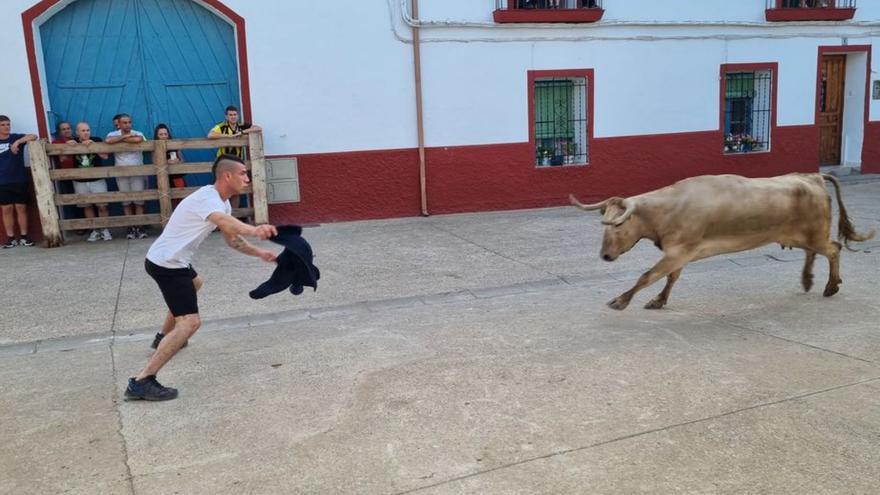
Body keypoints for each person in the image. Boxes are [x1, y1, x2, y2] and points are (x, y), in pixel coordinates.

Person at [126, 154, 278, 401]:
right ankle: (142, 381)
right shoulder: (207, 199)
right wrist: (255, 229)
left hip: (171, 260)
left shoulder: (222, 202)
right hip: (167, 264)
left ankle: (162, 338)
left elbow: (233, 240)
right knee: (190, 323)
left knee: (196, 283)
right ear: (226, 176)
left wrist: (259, 253)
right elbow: (224, 221)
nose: (247, 178)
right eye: (243, 173)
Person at [207, 105, 261, 211]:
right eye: (230, 115)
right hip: (222, 163)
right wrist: (228, 136)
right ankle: (221, 214)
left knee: (236, 190)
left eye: (235, 114)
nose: (233, 117)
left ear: (238, 116)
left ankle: (234, 216)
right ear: (226, 116)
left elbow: (258, 128)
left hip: (237, 163)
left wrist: (242, 132)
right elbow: (210, 135)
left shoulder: (241, 126)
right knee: (219, 190)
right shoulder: (222, 126)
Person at [106, 114, 148, 239]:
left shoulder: (137, 132)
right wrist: (125, 136)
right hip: (121, 171)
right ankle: (130, 227)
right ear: (119, 124)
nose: (128, 125)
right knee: (126, 200)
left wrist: (122, 139)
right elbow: (108, 141)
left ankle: (139, 226)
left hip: (137, 170)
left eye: (129, 122)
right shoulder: (112, 134)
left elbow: (138, 140)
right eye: (124, 123)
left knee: (139, 199)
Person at [70, 122, 112, 242]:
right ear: (77, 132)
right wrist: (69, 146)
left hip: (97, 178)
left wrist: (94, 146)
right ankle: (95, 230)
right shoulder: (73, 142)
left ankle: (104, 229)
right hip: (80, 180)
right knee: (86, 205)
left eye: (88, 130)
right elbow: (64, 157)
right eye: (83, 131)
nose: (86, 133)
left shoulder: (96, 139)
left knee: (102, 205)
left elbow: (105, 156)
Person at [0, 115, 37, 248]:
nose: (6, 127)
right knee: (6, 209)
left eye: (8, 124)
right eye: (3, 125)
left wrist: (18, 142)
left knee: (21, 207)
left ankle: (24, 236)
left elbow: (33, 136)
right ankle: (10, 238)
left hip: (19, 179)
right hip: (2, 182)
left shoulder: (15, 137)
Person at [153, 123, 187, 198]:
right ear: (157, 136)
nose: (164, 136)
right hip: (163, 178)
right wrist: (166, 162)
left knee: (180, 200)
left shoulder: (174, 145)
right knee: (166, 200)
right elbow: (155, 163)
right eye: (161, 134)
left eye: (165, 134)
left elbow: (183, 161)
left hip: (177, 177)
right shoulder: (154, 148)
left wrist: (178, 161)